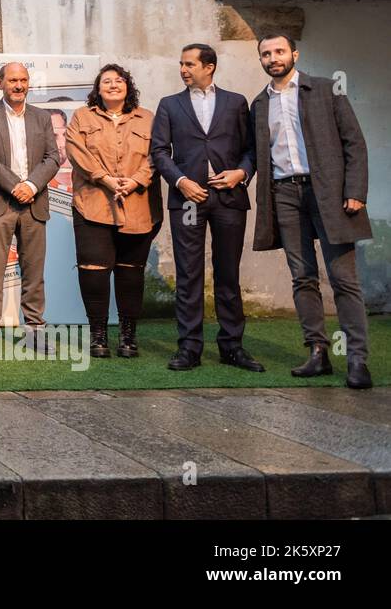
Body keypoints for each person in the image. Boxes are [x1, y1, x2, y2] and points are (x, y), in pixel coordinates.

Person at [248, 34, 372, 389]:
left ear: (294, 54)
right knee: (302, 276)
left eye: (279, 51)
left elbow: (355, 143)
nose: (273, 58)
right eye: (266, 53)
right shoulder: (259, 104)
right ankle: (318, 353)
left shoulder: (326, 89)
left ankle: (357, 360)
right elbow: (256, 154)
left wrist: (355, 191)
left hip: (330, 194)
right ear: (261, 59)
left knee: (344, 280)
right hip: (284, 193)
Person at [151, 43, 263, 373]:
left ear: (209, 66)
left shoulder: (236, 102)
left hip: (229, 199)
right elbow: (159, 151)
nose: (183, 69)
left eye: (189, 64)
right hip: (187, 199)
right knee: (188, 274)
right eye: (181, 64)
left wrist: (241, 173)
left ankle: (232, 346)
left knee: (228, 272)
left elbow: (251, 149)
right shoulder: (169, 105)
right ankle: (189, 348)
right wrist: (181, 181)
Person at [65, 64, 163, 358]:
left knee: (130, 273)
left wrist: (135, 181)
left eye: (119, 80)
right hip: (93, 204)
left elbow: (158, 154)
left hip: (139, 206)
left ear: (128, 86)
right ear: (98, 88)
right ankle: (98, 334)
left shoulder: (148, 118)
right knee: (93, 272)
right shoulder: (82, 116)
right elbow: (75, 150)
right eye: (106, 81)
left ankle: (128, 335)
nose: (113, 85)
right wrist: (106, 179)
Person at [0, 62, 61, 355]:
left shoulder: (42, 117)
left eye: (23, 80)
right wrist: (15, 186)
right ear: (0, 83)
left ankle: (34, 330)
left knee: (34, 271)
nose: (19, 85)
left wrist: (31, 186)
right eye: (12, 80)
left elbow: (53, 157)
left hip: (34, 203)